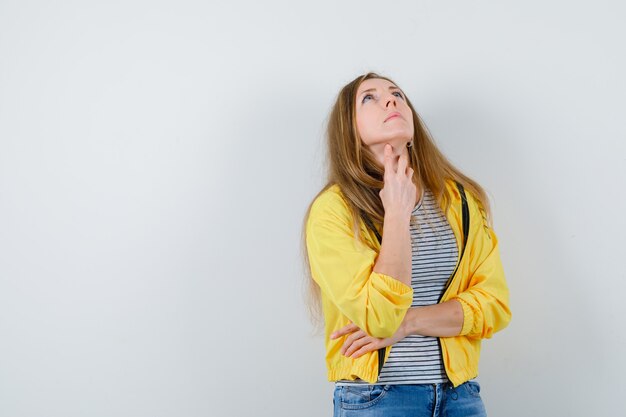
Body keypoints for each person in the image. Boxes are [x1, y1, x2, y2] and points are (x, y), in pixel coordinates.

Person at [301, 72, 511, 416]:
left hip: (461, 396)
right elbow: (380, 318)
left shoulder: (459, 201)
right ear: (348, 128)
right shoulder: (333, 211)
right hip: (377, 398)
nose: (391, 100)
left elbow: (494, 304)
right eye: (369, 97)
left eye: (396, 93)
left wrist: (411, 322)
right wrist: (396, 213)